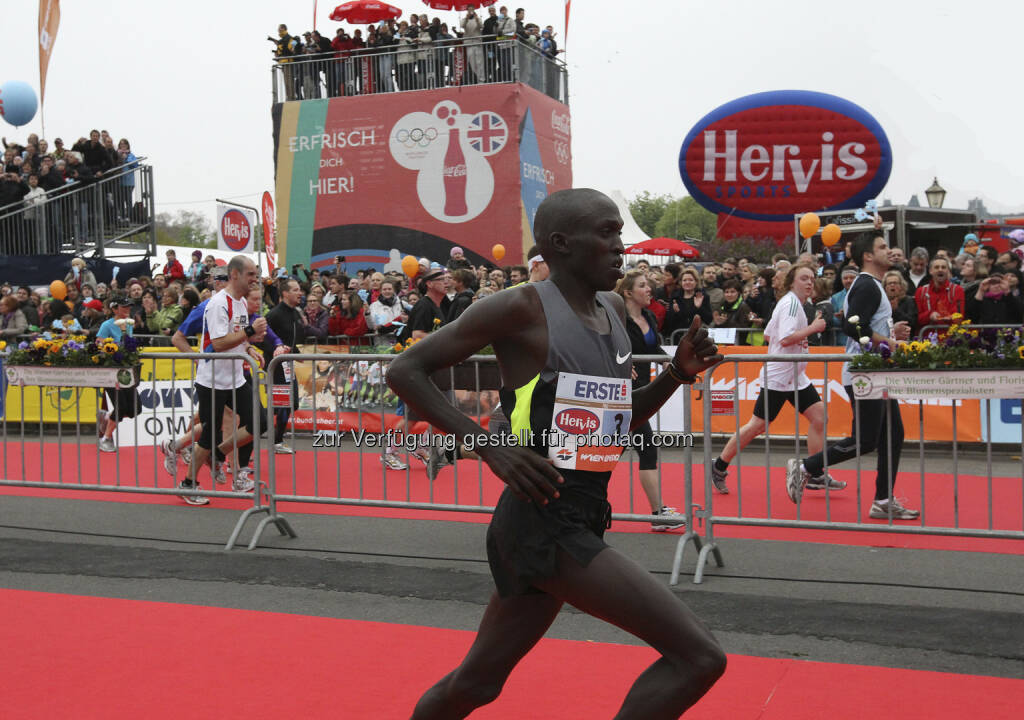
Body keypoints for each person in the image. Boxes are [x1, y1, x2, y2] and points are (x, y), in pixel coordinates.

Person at [388, 189, 726, 718]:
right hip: (544, 522)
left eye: (620, 234)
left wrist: (678, 374)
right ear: (562, 244)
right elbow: (404, 370)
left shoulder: (612, 308)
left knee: (476, 684)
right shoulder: (520, 306)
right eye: (608, 233)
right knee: (699, 658)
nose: (621, 246)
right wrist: (492, 447)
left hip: (577, 513)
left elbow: (618, 419)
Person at [786, 229, 918, 520]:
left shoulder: (872, 285)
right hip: (863, 372)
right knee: (867, 440)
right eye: (883, 246)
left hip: (874, 371)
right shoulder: (868, 285)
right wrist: (891, 342)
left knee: (893, 435)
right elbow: (851, 328)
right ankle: (807, 466)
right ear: (868, 255)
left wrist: (889, 334)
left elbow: (863, 326)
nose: (889, 250)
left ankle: (883, 500)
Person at [711, 264, 841, 494]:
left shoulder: (792, 304)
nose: (810, 282)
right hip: (780, 376)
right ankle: (719, 465)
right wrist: (813, 328)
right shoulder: (791, 304)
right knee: (757, 425)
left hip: (795, 376)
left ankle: (815, 473)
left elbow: (770, 334)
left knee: (820, 417)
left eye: (812, 279)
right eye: (804, 278)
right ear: (792, 282)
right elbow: (785, 337)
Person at [177, 256, 266, 505]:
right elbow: (217, 344)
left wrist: (249, 348)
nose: (255, 279)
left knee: (260, 421)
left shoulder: (239, 303)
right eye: (250, 274)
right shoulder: (218, 304)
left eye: (256, 274)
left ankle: (217, 455)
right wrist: (249, 332)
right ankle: (188, 484)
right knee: (208, 434)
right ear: (235, 274)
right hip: (213, 381)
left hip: (236, 379)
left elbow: (236, 336)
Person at [615, 269, 686, 530]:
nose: (649, 290)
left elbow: (652, 349)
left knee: (609, 453)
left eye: (649, 285)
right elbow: (605, 346)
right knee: (643, 448)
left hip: (642, 392)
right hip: (620, 393)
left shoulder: (649, 316)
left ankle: (576, 501)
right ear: (628, 292)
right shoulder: (616, 318)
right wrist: (619, 363)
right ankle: (658, 514)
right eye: (643, 286)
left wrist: (672, 363)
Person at [94, 299, 141, 453]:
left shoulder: (129, 324)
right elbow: (99, 343)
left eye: (129, 306)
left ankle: (107, 417)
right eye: (124, 306)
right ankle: (106, 438)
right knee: (121, 406)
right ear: (115, 309)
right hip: (110, 371)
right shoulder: (106, 325)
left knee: (136, 409)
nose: (127, 308)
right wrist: (111, 350)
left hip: (126, 371)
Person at [915, 256, 964, 331]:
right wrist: (929, 315)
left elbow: (959, 316)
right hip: (926, 338)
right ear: (930, 271)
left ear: (948, 271)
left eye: (943, 267)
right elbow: (916, 318)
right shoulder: (921, 291)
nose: (940, 270)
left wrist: (950, 318)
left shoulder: (957, 290)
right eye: (936, 267)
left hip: (951, 338)